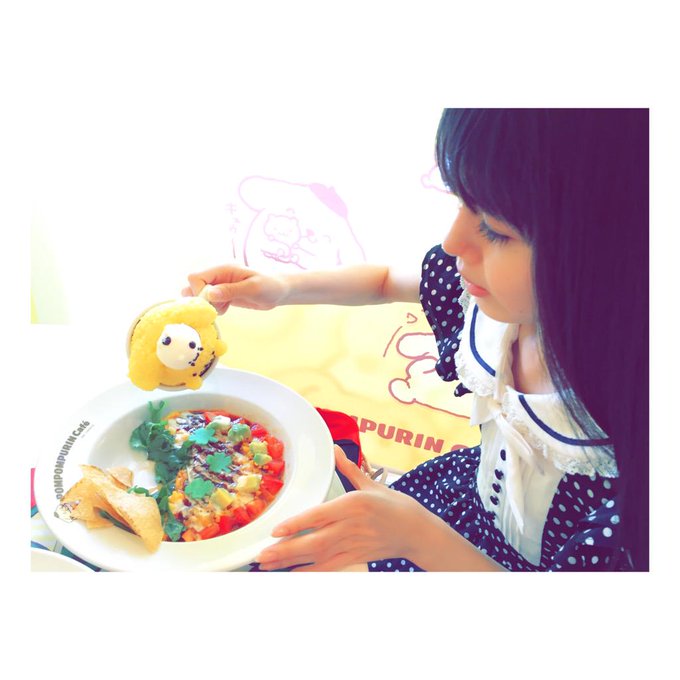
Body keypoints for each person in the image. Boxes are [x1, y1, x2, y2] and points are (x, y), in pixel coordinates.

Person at [182, 109, 649, 572]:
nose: (451, 242)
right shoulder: (500, 299)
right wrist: (282, 288)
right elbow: (384, 282)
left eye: (495, 229)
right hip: (456, 504)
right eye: (461, 201)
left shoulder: (634, 473)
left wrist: (417, 537)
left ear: (611, 259)